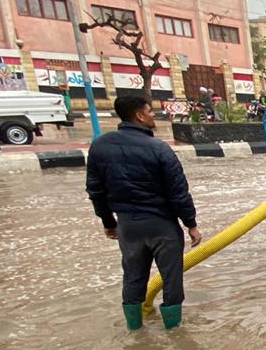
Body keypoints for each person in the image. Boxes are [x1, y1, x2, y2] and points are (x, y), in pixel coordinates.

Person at [86, 95, 202, 331]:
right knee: (171, 280)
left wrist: (109, 222)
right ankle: (174, 333)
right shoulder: (159, 149)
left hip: (128, 226)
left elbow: (95, 191)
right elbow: (178, 192)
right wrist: (191, 224)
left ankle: (134, 332)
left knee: (133, 278)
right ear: (139, 115)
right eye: (150, 111)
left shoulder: (99, 147)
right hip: (163, 226)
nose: (153, 115)